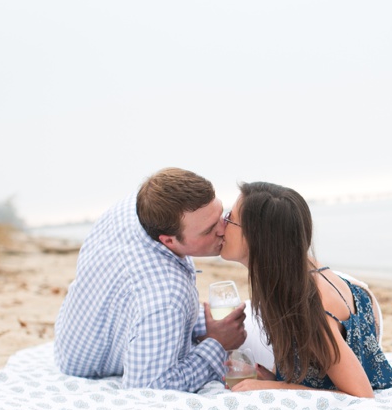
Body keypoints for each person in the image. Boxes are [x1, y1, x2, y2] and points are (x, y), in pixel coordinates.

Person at [53, 167, 247, 391]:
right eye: (208, 230)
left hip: (76, 333)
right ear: (169, 241)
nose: (224, 229)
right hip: (86, 363)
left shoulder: (139, 205)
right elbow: (148, 387)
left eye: (221, 213)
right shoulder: (167, 294)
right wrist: (217, 344)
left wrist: (204, 326)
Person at [219, 181, 392, 398]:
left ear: (257, 236)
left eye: (230, 218)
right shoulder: (297, 273)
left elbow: (361, 395)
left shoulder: (306, 301)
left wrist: (273, 387)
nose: (222, 225)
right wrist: (272, 378)